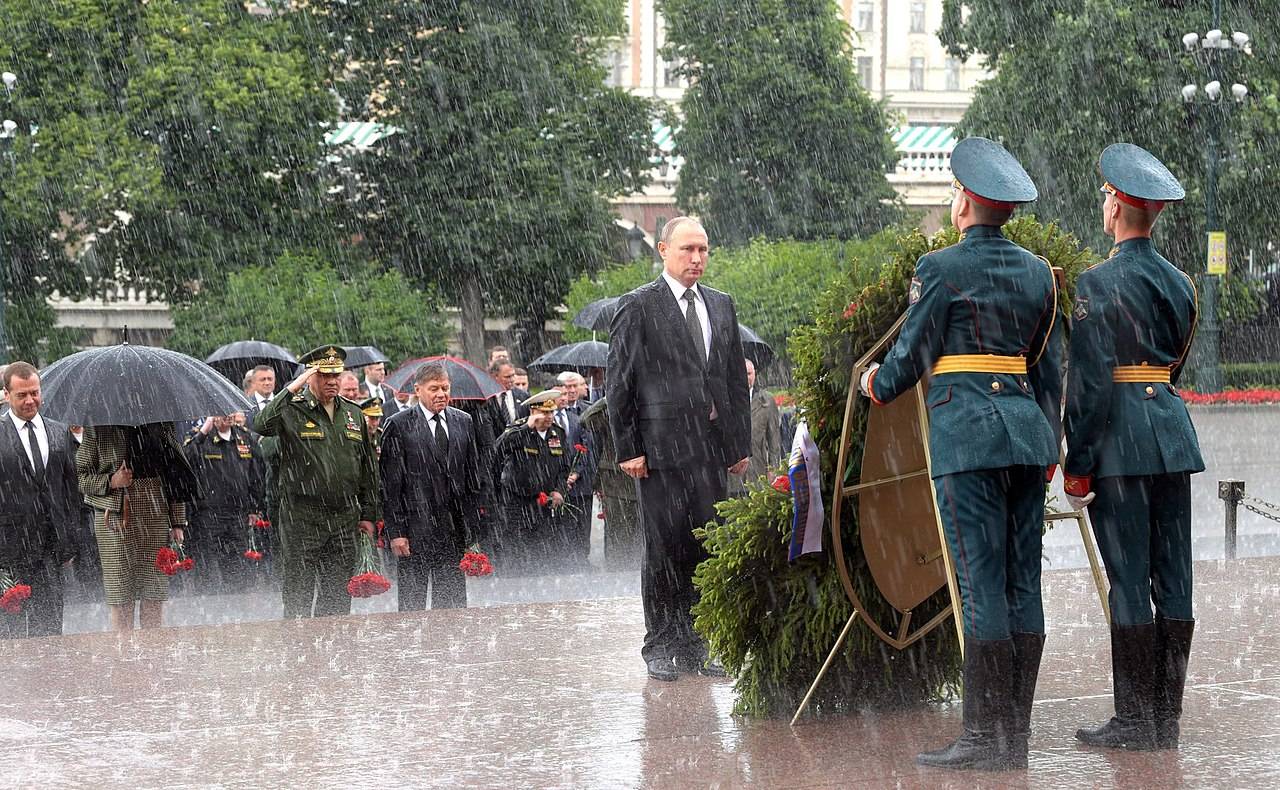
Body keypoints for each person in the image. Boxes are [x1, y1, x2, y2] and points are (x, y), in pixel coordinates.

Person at [858, 137, 1061, 770]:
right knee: (1022, 582)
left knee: (979, 587)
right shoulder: (1038, 273)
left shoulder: (940, 268)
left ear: (967, 201)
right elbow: (1048, 367)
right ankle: (1015, 739)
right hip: (1026, 436)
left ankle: (981, 738)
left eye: (954, 193)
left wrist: (875, 383)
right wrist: (1049, 439)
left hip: (967, 435)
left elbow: (913, 353)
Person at [1065, 143, 1203, 752]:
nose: (1102, 204)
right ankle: (1165, 720)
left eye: (1104, 197)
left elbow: (1090, 385)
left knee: (1128, 579)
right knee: (1174, 577)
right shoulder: (1181, 284)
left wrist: (1078, 465)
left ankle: (1133, 720)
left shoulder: (1094, 284)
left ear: (1117, 207)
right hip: (1172, 438)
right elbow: (1173, 365)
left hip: (1121, 442)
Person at [607, 215, 751, 682]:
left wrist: (738, 444)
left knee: (706, 546)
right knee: (665, 547)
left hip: (709, 452)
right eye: (688, 249)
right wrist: (628, 447)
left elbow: (732, 380)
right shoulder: (639, 306)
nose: (697, 258)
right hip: (660, 452)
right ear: (664, 250)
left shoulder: (722, 305)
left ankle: (702, 639)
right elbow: (620, 382)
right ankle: (662, 643)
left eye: (704, 249)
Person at [254, 346, 380, 619]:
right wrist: (292, 388)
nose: (332, 381)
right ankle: (300, 654)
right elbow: (261, 424)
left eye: (336, 375)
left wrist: (369, 515)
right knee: (298, 593)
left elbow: (368, 469)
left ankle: (331, 653)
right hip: (303, 517)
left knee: (336, 597)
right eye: (324, 375)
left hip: (344, 517)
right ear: (310, 376)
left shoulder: (353, 414)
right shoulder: (293, 410)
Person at [78, 420, 199, 631]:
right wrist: (111, 481)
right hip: (115, 520)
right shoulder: (97, 425)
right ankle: (124, 657)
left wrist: (178, 522)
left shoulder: (161, 421)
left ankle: (152, 657)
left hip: (155, 514)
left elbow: (174, 473)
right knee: (121, 597)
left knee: (154, 594)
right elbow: (81, 477)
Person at [380, 363, 483, 610]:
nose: (441, 394)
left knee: (452, 603)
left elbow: (471, 477)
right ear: (418, 390)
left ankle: (449, 646)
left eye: (445, 388)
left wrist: (473, 531)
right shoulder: (399, 424)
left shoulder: (463, 421)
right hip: (415, 528)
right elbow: (390, 483)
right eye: (434, 388)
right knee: (413, 604)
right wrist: (396, 532)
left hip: (452, 529)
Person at [0, 363, 79, 638]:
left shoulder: (59, 432)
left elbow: (71, 489)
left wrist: (69, 537)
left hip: (50, 549)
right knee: (11, 637)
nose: (30, 400)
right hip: (8, 553)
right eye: (21, 394)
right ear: (6, 394)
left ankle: (49, 680)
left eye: (34, 392)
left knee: (49, 631)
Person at [492, 391, 573, 573]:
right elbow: (499, 447)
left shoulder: (557, 433)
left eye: (551, 412)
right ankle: (515, 584)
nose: (549, 417)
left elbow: (564, 466)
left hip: (542, 500)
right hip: (516, 498)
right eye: (544, 413)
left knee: (542, 546)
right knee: (515, 546)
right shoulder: (518, 429)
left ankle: (539, 583)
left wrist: (560, 490)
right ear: (533, 411)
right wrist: (526, 428)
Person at [183, 414, 266, 591]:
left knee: (238, 566)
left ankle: (238, 607)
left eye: (231, 412)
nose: (228, 416)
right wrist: (203, 432)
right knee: (208, 568)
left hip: (239, 512)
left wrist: (254, 507)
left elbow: (257, 473)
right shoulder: (201, 437)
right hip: (209, 514)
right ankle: (209, 609)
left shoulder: (244, 437)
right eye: (221, 412)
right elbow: (186, 459)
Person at [579, 397, 641, 571]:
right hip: (617, 485)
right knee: (620, 538)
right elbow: (586, 420)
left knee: (645, 538)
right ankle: (618, 578)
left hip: (647, 481)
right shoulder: (613, 409)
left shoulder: (649, 402)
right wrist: (610, 396)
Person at [555, 372, 595, 568]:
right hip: (559, 481)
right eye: (565, 389)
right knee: (564, 525)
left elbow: (589, 445)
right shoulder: (550, 415)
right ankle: (565, 561)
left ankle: (583, 561)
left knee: (583, 523)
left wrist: (577, 472)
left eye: (573, 387)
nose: (569, 392)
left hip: (583, 480)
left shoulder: (584, 412)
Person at [727, 358, 782, 496]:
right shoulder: (726, 399)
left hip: (758, 472)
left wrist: (773, 468)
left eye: (749, 373)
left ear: (755, 374)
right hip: (733, 475)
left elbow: (774, 440)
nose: (746, 378)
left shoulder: (767, 401)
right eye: (742, 373)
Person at [489, 359, 529, 432]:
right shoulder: (488, 399)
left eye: (513, 375)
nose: (512, 380)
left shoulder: (523, 396)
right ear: (495, 377)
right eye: (507, 377)